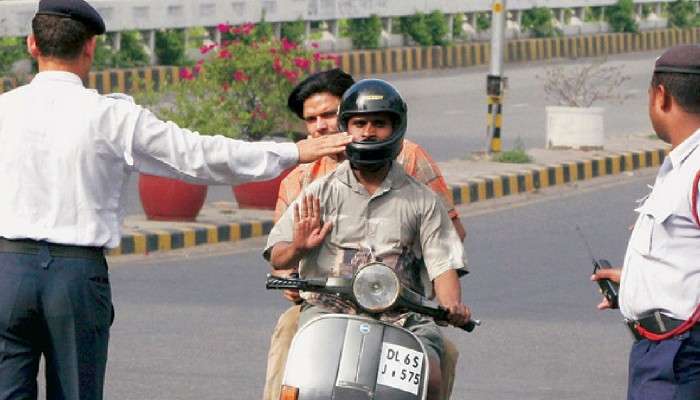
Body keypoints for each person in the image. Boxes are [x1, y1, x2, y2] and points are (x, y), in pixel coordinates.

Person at [0, 1, 351, 399]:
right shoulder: (112, 117)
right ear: (90, 48)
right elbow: (200, 157)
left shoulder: (4, 111)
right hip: (75, 277)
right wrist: (293, 152)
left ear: (31, 45)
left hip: (8, 272)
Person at [263, 69, 466, 400]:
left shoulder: (417, 180)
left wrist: (450, 301)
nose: (320, 126)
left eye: (327, 114)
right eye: (311, 119)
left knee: (434, 369)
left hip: (403, 315)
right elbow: (279, 256)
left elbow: (445, 251)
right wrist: (297, 252)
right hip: (326, 307)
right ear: (349, 125)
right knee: (290, 356)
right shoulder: (308, 185)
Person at [592, 44, 700, 400]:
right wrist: (635, 280)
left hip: (680, 358)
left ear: (661, 96)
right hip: (661, 353)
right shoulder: (682, 163)